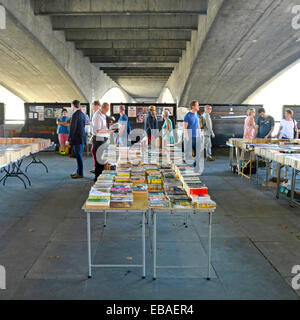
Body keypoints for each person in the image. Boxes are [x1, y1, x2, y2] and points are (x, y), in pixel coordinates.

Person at [92, 102, 111, 181]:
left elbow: (102, 127)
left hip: (102, 139)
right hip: (99, 139)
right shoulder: (97, 116)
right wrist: (108, 131)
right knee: (99, 160)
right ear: (102, 108)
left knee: (102, 159)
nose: (106, 112)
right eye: (106, 110)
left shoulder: (102, 114)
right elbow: (98, 130)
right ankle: (98, 177)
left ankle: (100, 176)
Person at [67, 100, 86, 179]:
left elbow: (72, 128)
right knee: (79, 155)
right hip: (81, 137)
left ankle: (80, 173)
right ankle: (78, 171)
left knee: (78, 155)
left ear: (73, 105)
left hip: (77, 139)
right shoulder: (82, 114)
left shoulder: (75, 115)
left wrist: (69, 139)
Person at [184, 101, 201, 168]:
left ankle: (196, 167)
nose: (198, 106)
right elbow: (185, 128)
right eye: (197, 105)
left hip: (197, 137)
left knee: (198, 154)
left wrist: (200, 135)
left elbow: (198, 126)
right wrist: (187, 138)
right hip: (189, 137)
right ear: (193, 106)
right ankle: (186, 168)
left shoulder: (197, 115)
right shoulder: (187, 116)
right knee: (188, 155)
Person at [90, 100, 101, 174]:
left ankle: (97, 169)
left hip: (97, 136)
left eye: (93, 105)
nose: (92, 107)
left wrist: (93, 136)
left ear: (97, 105)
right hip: (98, 136)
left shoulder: (97, 114)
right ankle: (96, 168)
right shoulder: (97, 113)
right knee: (95, 151)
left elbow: (96, 128)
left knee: (95, 152)